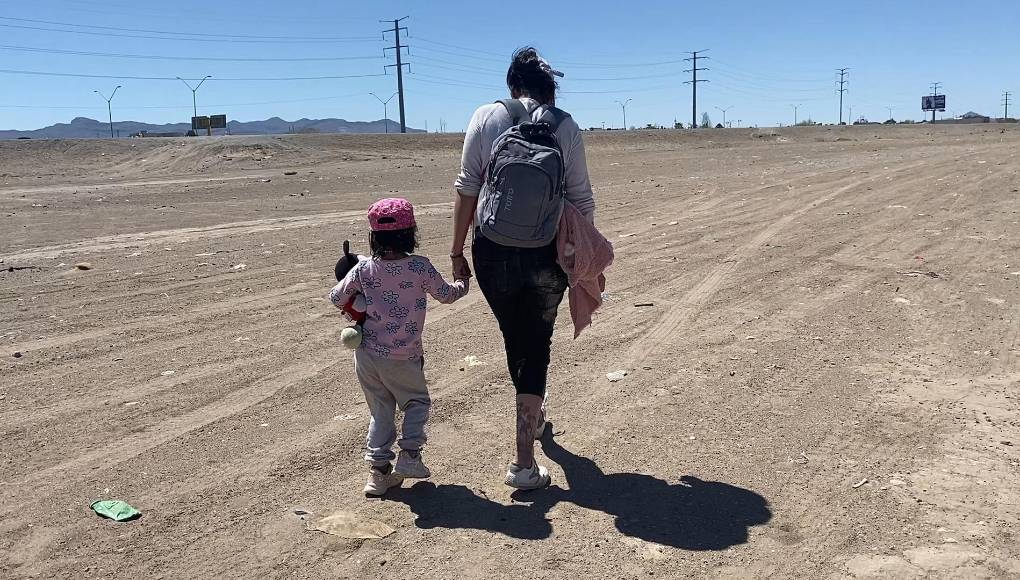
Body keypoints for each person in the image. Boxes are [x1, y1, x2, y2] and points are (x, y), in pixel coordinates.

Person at [450, 47, 596, 490]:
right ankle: (523, 461)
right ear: (548, 91)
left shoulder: (485, 116)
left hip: (491, 250)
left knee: (516, 337)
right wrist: (582, 259)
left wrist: (457, 251)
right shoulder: (565, 125)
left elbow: (466, 188)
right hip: (546, 252)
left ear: (512, 85)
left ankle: (531, 424)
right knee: (536, 341)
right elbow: (580, 198)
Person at [330, 198, 469, 496]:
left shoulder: (363, 270)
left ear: (373, 237)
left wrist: (356, 298)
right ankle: (410, 457)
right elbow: (446, 295)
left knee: (381, 410)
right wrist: (463, 281)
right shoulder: (420, 267)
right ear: (411, 233)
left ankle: (378, 476)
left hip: (367, 355)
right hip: (404, 355)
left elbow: (336, 298)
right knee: (416, 403)